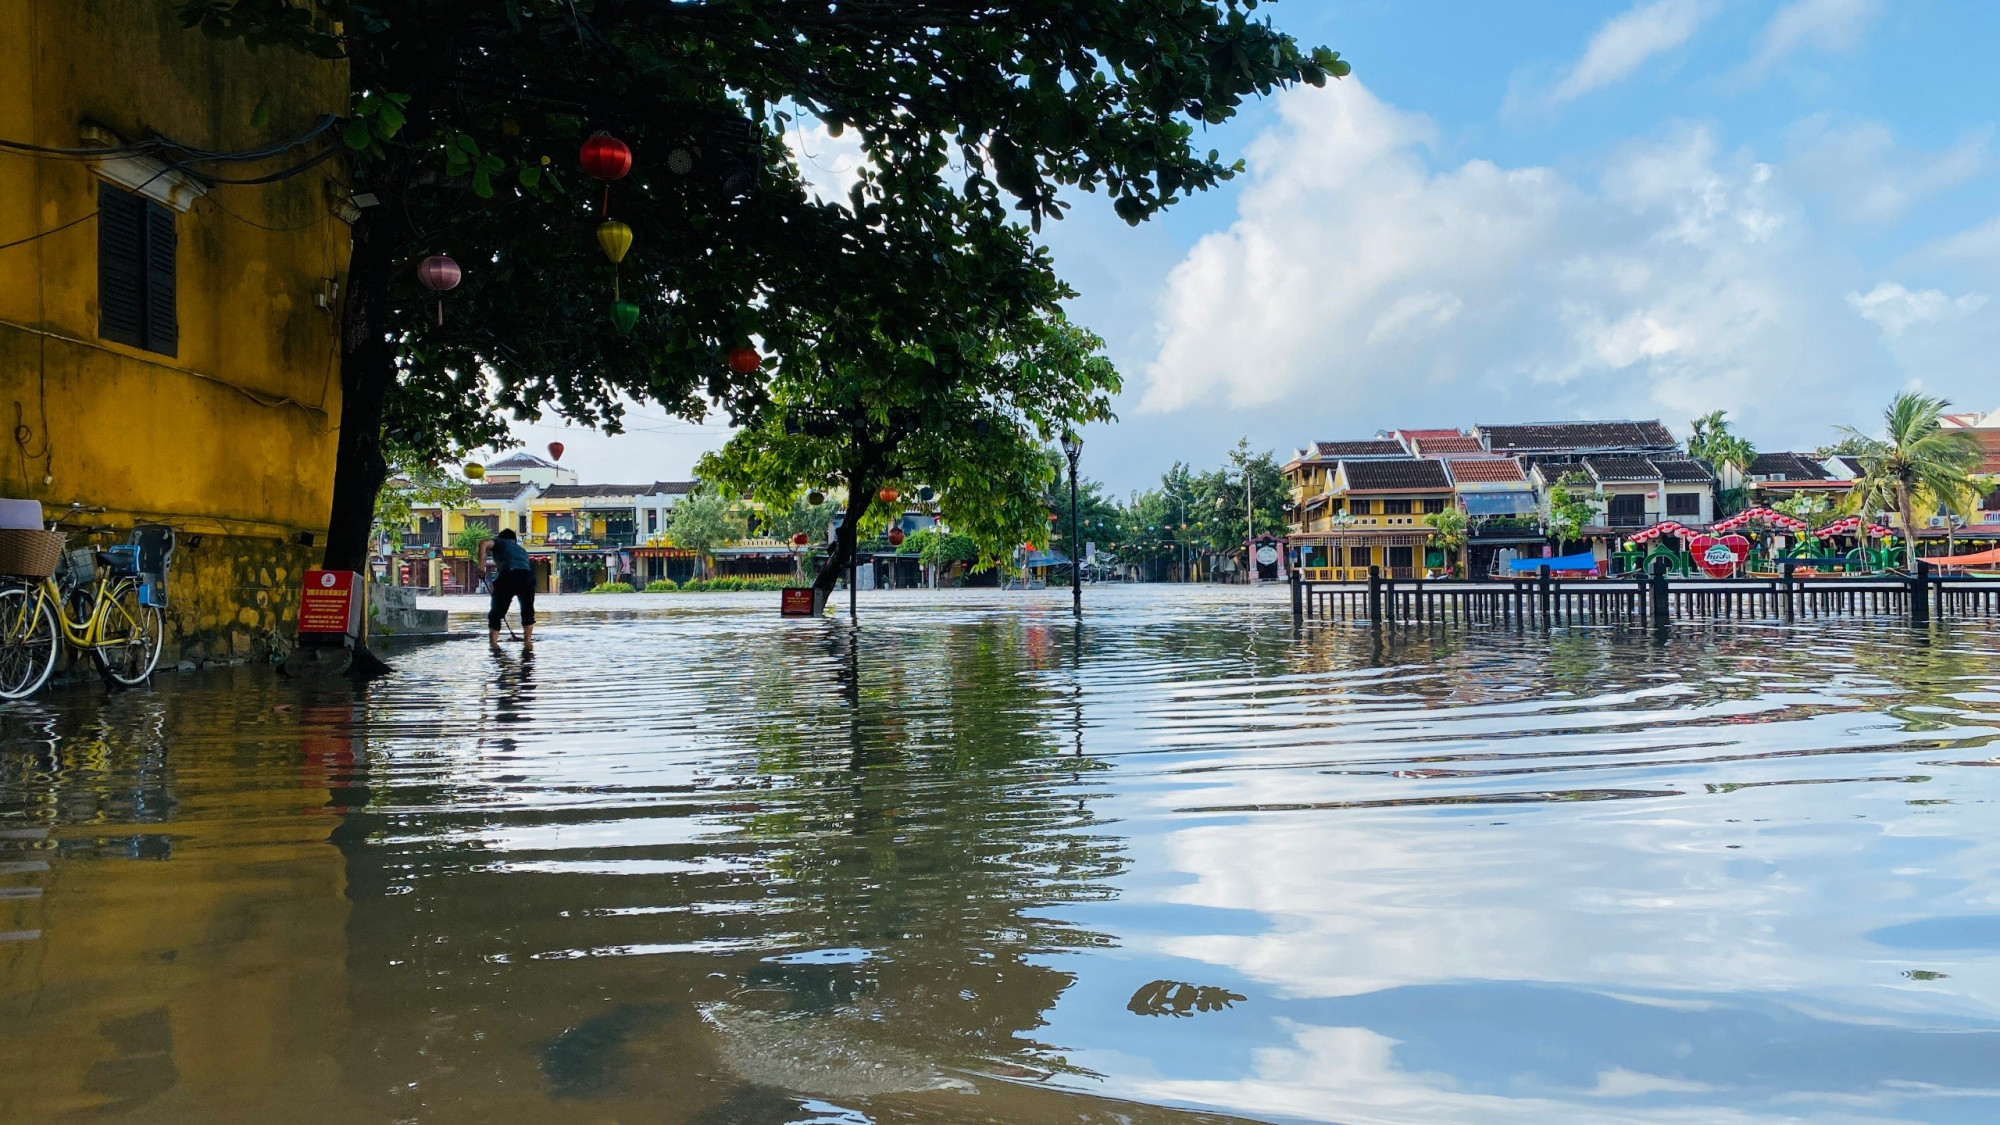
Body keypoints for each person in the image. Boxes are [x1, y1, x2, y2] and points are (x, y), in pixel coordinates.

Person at [484, 527, 535, 647]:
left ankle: (493, 644)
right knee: (527, 612)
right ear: (514, 540)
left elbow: (483, 543)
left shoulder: (501, 542)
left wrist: (481, 566)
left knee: (496, 614)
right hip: (528, 577)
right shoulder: (521, 550)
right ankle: (527, 643)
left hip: (509, 575)